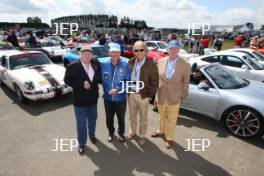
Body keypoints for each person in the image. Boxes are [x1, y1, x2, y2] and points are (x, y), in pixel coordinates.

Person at [151, 40, 190, 149]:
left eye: (175, 48)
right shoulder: (161, 61)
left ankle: (169, 138)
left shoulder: (185, 65)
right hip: (161, 94)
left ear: (179, 50)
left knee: (172, 120)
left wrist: (183, 94)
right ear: (167, 49)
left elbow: (186, 82)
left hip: (174, 97)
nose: (173, 50)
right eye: (171, 48)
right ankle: (160, 130)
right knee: (161, 116)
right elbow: (157, 77)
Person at [64, 46, 100, 155]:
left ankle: (92, 135)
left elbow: (98, 79)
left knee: (93, 119)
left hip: (93, 100)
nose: (87, 56)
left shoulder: (95, 64)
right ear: (80, 54)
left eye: (89, 54)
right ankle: (81, 143)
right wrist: (80, 84)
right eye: (85, 53)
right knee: (81, 123)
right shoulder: (72, 66)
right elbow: (67, 80)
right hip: (80, 101)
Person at [126, 40, 159, 145]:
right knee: (132, 116)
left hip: (143, 95)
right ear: (133, 51)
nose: (138, 52)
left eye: (141, 49)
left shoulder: (151, 64)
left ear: (146, 50)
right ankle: (132, 131)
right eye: (136, 50)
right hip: (131, 94)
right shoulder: (130, 62)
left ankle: (142, 135)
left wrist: (150, 96)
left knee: (143, 118)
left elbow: (155, 82)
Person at [100, 43, 130, 143]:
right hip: (108, 99)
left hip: (120, 98)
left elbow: (127, 81)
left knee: (121, 118)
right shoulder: (104, 64)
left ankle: (121, 133)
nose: (115, 54)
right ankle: (110, 133)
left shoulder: (125, 64)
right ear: (109, 53)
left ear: (120, 53)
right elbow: (99, 79)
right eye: (113, 52)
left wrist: (117, 89)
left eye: (117, 52)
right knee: (109, 118)